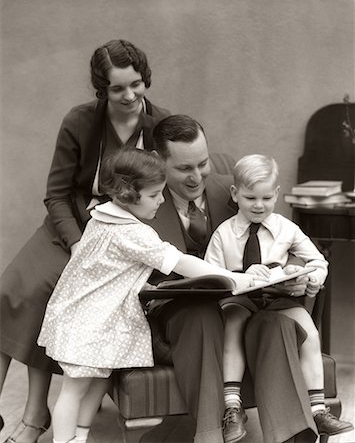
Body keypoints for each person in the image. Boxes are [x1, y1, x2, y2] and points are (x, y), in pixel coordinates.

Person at [0, 39, 170, 443]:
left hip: (122, 236)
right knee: (15, 290)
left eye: (136, 84)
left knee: (59, 296)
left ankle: (34, 418)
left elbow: (169, 192)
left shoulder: (160, 125)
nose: (129, 95)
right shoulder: (79, 121)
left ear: (145, 79)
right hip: (73, 227)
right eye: (117, 88)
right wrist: (76, 242)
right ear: (101, 89)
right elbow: (56, 193)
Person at [38, 148, 254, 443]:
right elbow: (178, 261)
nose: (162, 200)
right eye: (154, 195)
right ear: (128, 195)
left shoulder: (101, 216)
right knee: (73, 390)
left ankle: (81, 435)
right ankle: (64, 440)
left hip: (93, 319)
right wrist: (233, 278)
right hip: (87, 323)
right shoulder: (132, 234)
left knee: (98, 382)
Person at [138, 114, 319, 443]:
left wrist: (292, 272)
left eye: (203, 163)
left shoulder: (235, 190)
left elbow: (280, 237)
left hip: (246, 305)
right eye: (184, 169)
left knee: (276, 324)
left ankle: (294, 436)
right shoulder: (140, 203)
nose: (197, 177)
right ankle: (210, 435)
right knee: (202, 316)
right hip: (182, 315)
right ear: (157, 161)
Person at [204, 154, 354, 442]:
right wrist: (242, 275)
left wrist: (311, 278)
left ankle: (319, 410)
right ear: (235, 194)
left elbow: (318, 261)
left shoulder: (286, 229)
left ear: (276, 193)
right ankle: (233, 407)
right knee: (233, 325)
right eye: (250, 198)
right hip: (241, 298)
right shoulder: (224, 234)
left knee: (309, 331)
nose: (258, 205)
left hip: (278, 297)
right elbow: (211, 276)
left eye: (265, 198)